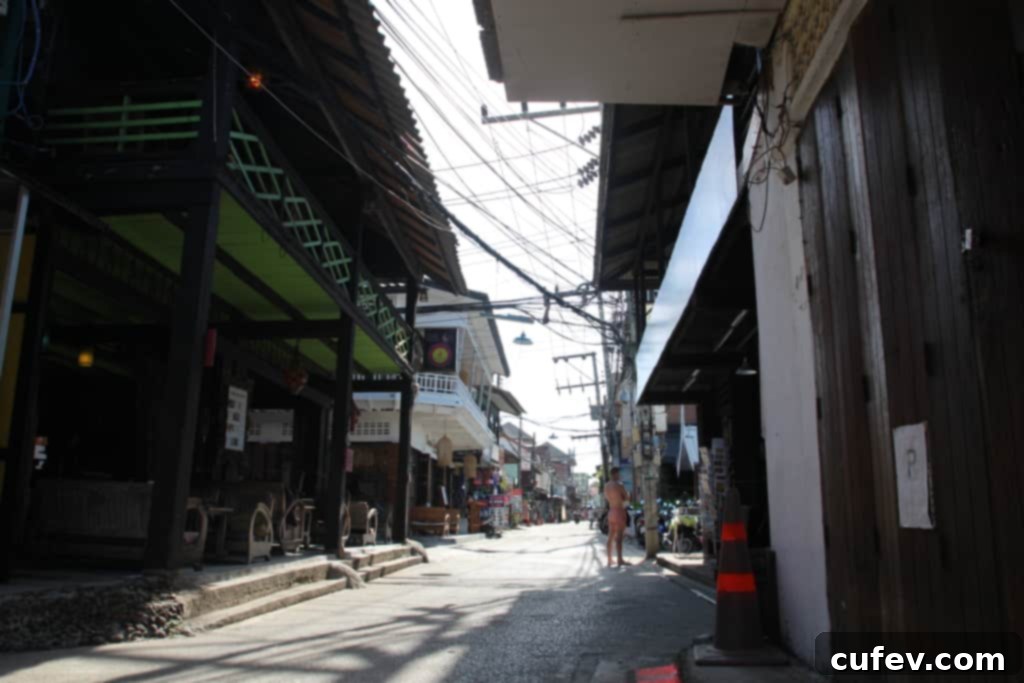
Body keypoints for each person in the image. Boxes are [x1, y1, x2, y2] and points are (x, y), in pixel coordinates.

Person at [604, 467, 630, 567]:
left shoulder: (606, 486)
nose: (619, 476)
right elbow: (626, 497)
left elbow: (607, 498)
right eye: (618, 474)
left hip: (611, 512)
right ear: (615, 474)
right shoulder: (619, 485)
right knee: (619, 538)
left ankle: (609, 560)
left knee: (610, 537)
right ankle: (620, 559)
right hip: (619, 511)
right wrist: (625, 496)